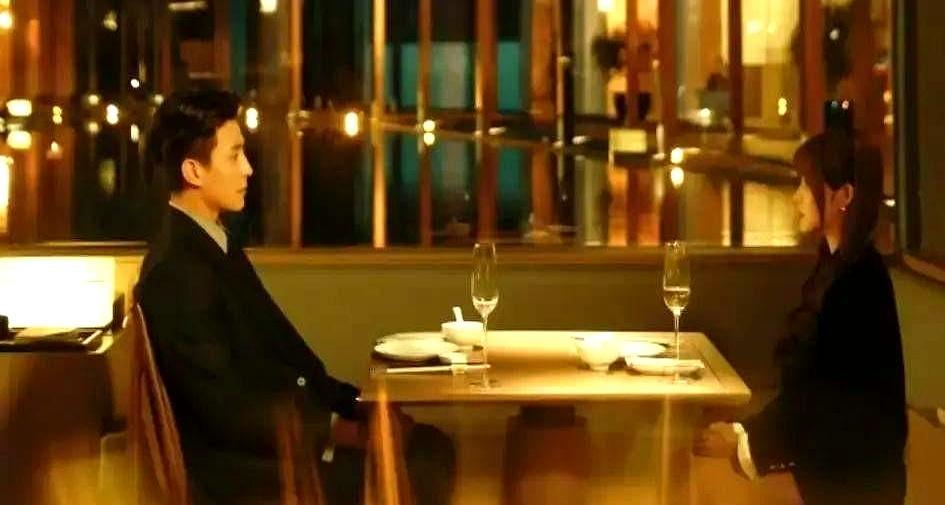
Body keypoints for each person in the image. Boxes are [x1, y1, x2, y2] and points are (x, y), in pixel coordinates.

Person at [135, 89, 454, 505]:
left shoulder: (212, 244)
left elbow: (287, 358)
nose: (248, 168)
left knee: (429, 445)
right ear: (194, 170)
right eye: (234, 156)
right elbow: (227, 412)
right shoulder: (177, 271)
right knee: (422, 463)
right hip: (247, 476)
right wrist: (339, 430)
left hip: (277, 448)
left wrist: (358, 405)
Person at [694, 131, 907, 505]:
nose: (796, 196)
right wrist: (745, 433)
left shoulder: (858, 282)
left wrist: (746, 441)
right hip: (837, 471)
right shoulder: (837, 268)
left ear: (844, 196)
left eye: (807, 185)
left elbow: (825, 401)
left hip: (857, 484)